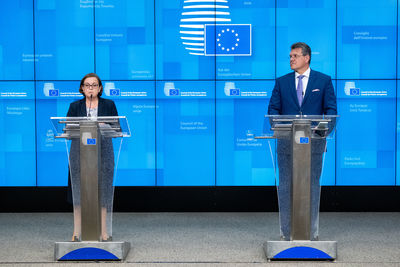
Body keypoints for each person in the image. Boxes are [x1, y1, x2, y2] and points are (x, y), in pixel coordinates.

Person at [268, 42, 337, 240]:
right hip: (286, 144)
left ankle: (311, 233)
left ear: (307, 58)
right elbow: (273, 110)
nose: (291, 59)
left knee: (312, 186)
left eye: (295, 56)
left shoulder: (323, 81)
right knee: (285, 186)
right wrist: (276, 124)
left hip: (314, 145)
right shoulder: (282, 82)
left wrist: (324, 130)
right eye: (290, 56)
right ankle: (286, 232)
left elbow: (331, 110)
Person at [66, 73, 118, 241]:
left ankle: (103, 232)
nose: (90, 88)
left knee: (103, 193)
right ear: (82, 88)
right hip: (79, 153)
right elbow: (67, 129)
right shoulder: (75, 106)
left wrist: (104, 126)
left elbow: (117, 129)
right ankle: (76, 232)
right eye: (87, 85)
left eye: (94, 85)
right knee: (79, 193)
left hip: (104, 152)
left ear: (100, 88)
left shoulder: (109, 105)